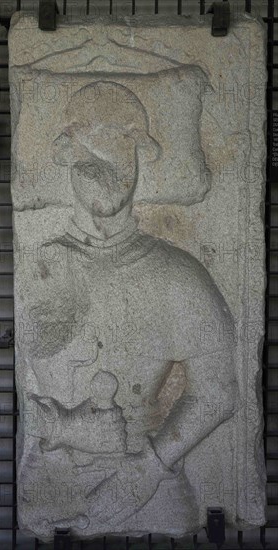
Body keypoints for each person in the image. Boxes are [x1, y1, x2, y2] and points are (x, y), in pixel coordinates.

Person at [29, 81, 237, 533]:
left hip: (146, 474)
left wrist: (148, 468)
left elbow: (218, 392)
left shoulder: (177, 274)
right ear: (66, 150)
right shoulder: (37, 266)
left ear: (140, 155)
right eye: (95, 144)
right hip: (53, 476)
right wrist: (57, 425)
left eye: (125, 146)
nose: (112, 163)